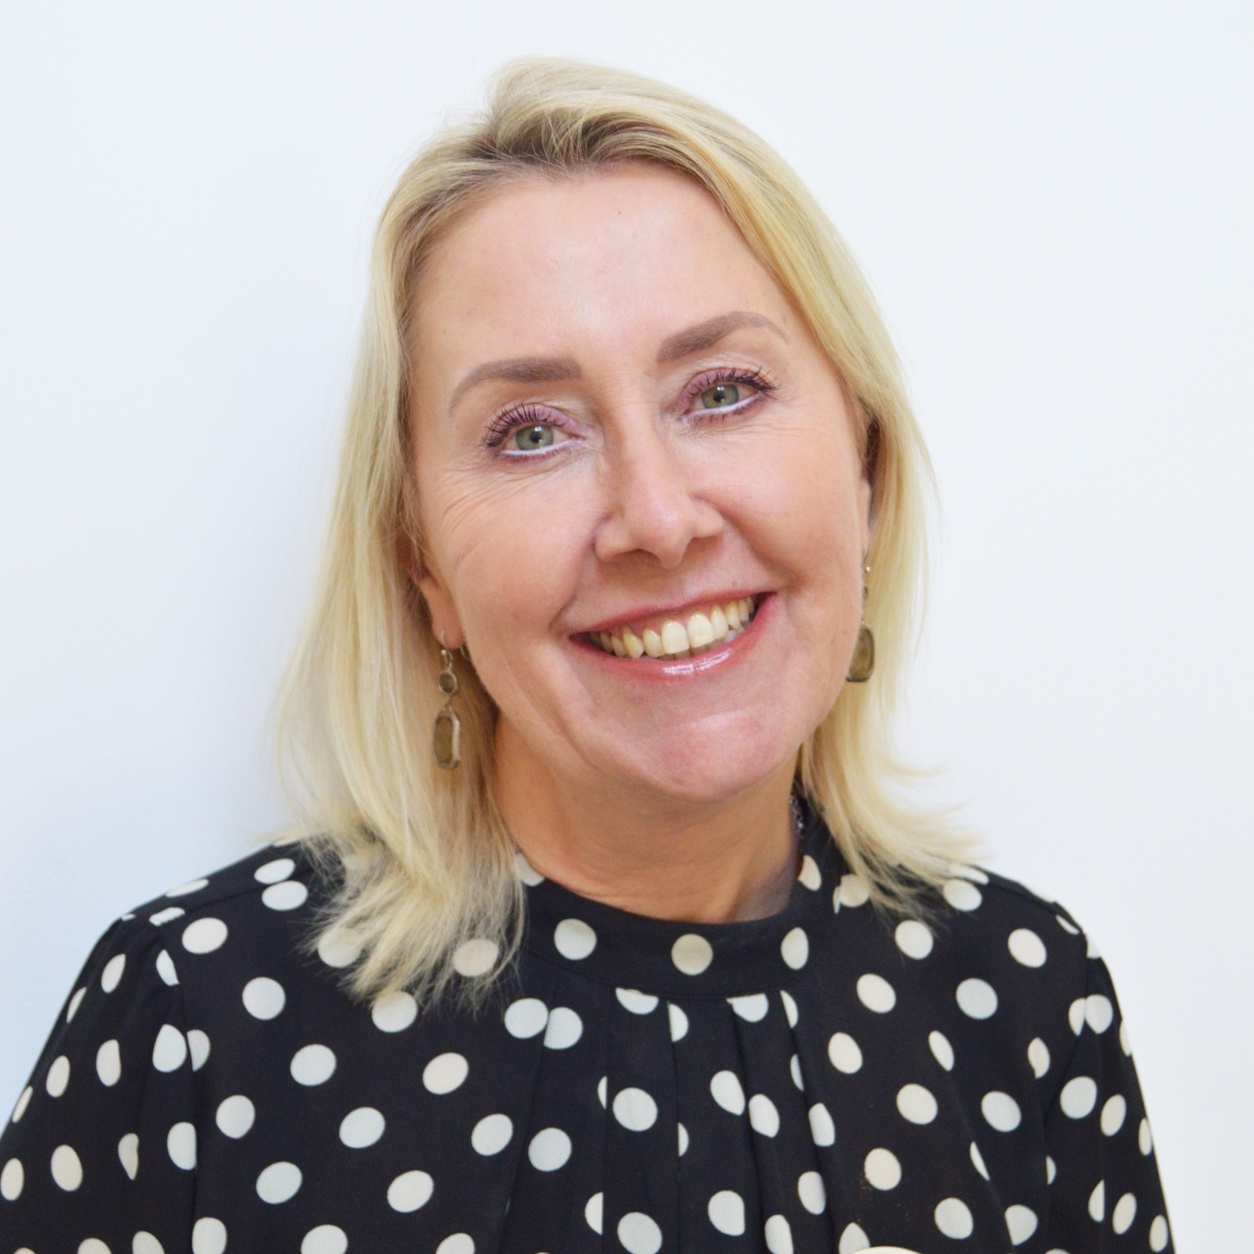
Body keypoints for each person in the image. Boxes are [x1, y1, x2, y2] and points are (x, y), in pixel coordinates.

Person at [0, 58, 1172, 1254]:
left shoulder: (1029, 1003)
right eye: (531, 434)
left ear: (864, 475)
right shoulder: (194, 1024)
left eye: (722, 392)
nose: (658, 519)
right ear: (423, 566)